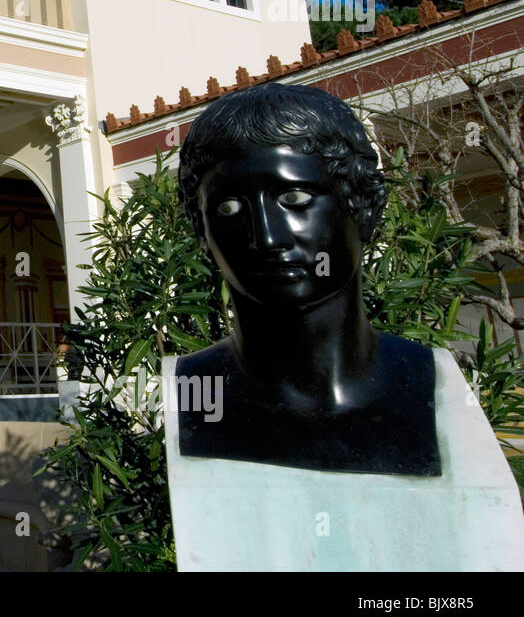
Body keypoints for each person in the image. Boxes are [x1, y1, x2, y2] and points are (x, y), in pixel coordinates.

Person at [174, 82, 439, 475]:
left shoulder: (429, 383)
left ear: (365, 207)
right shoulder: (196, 393)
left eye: (295, 200)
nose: (266, 237)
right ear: (202, 233)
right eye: (229, 208)